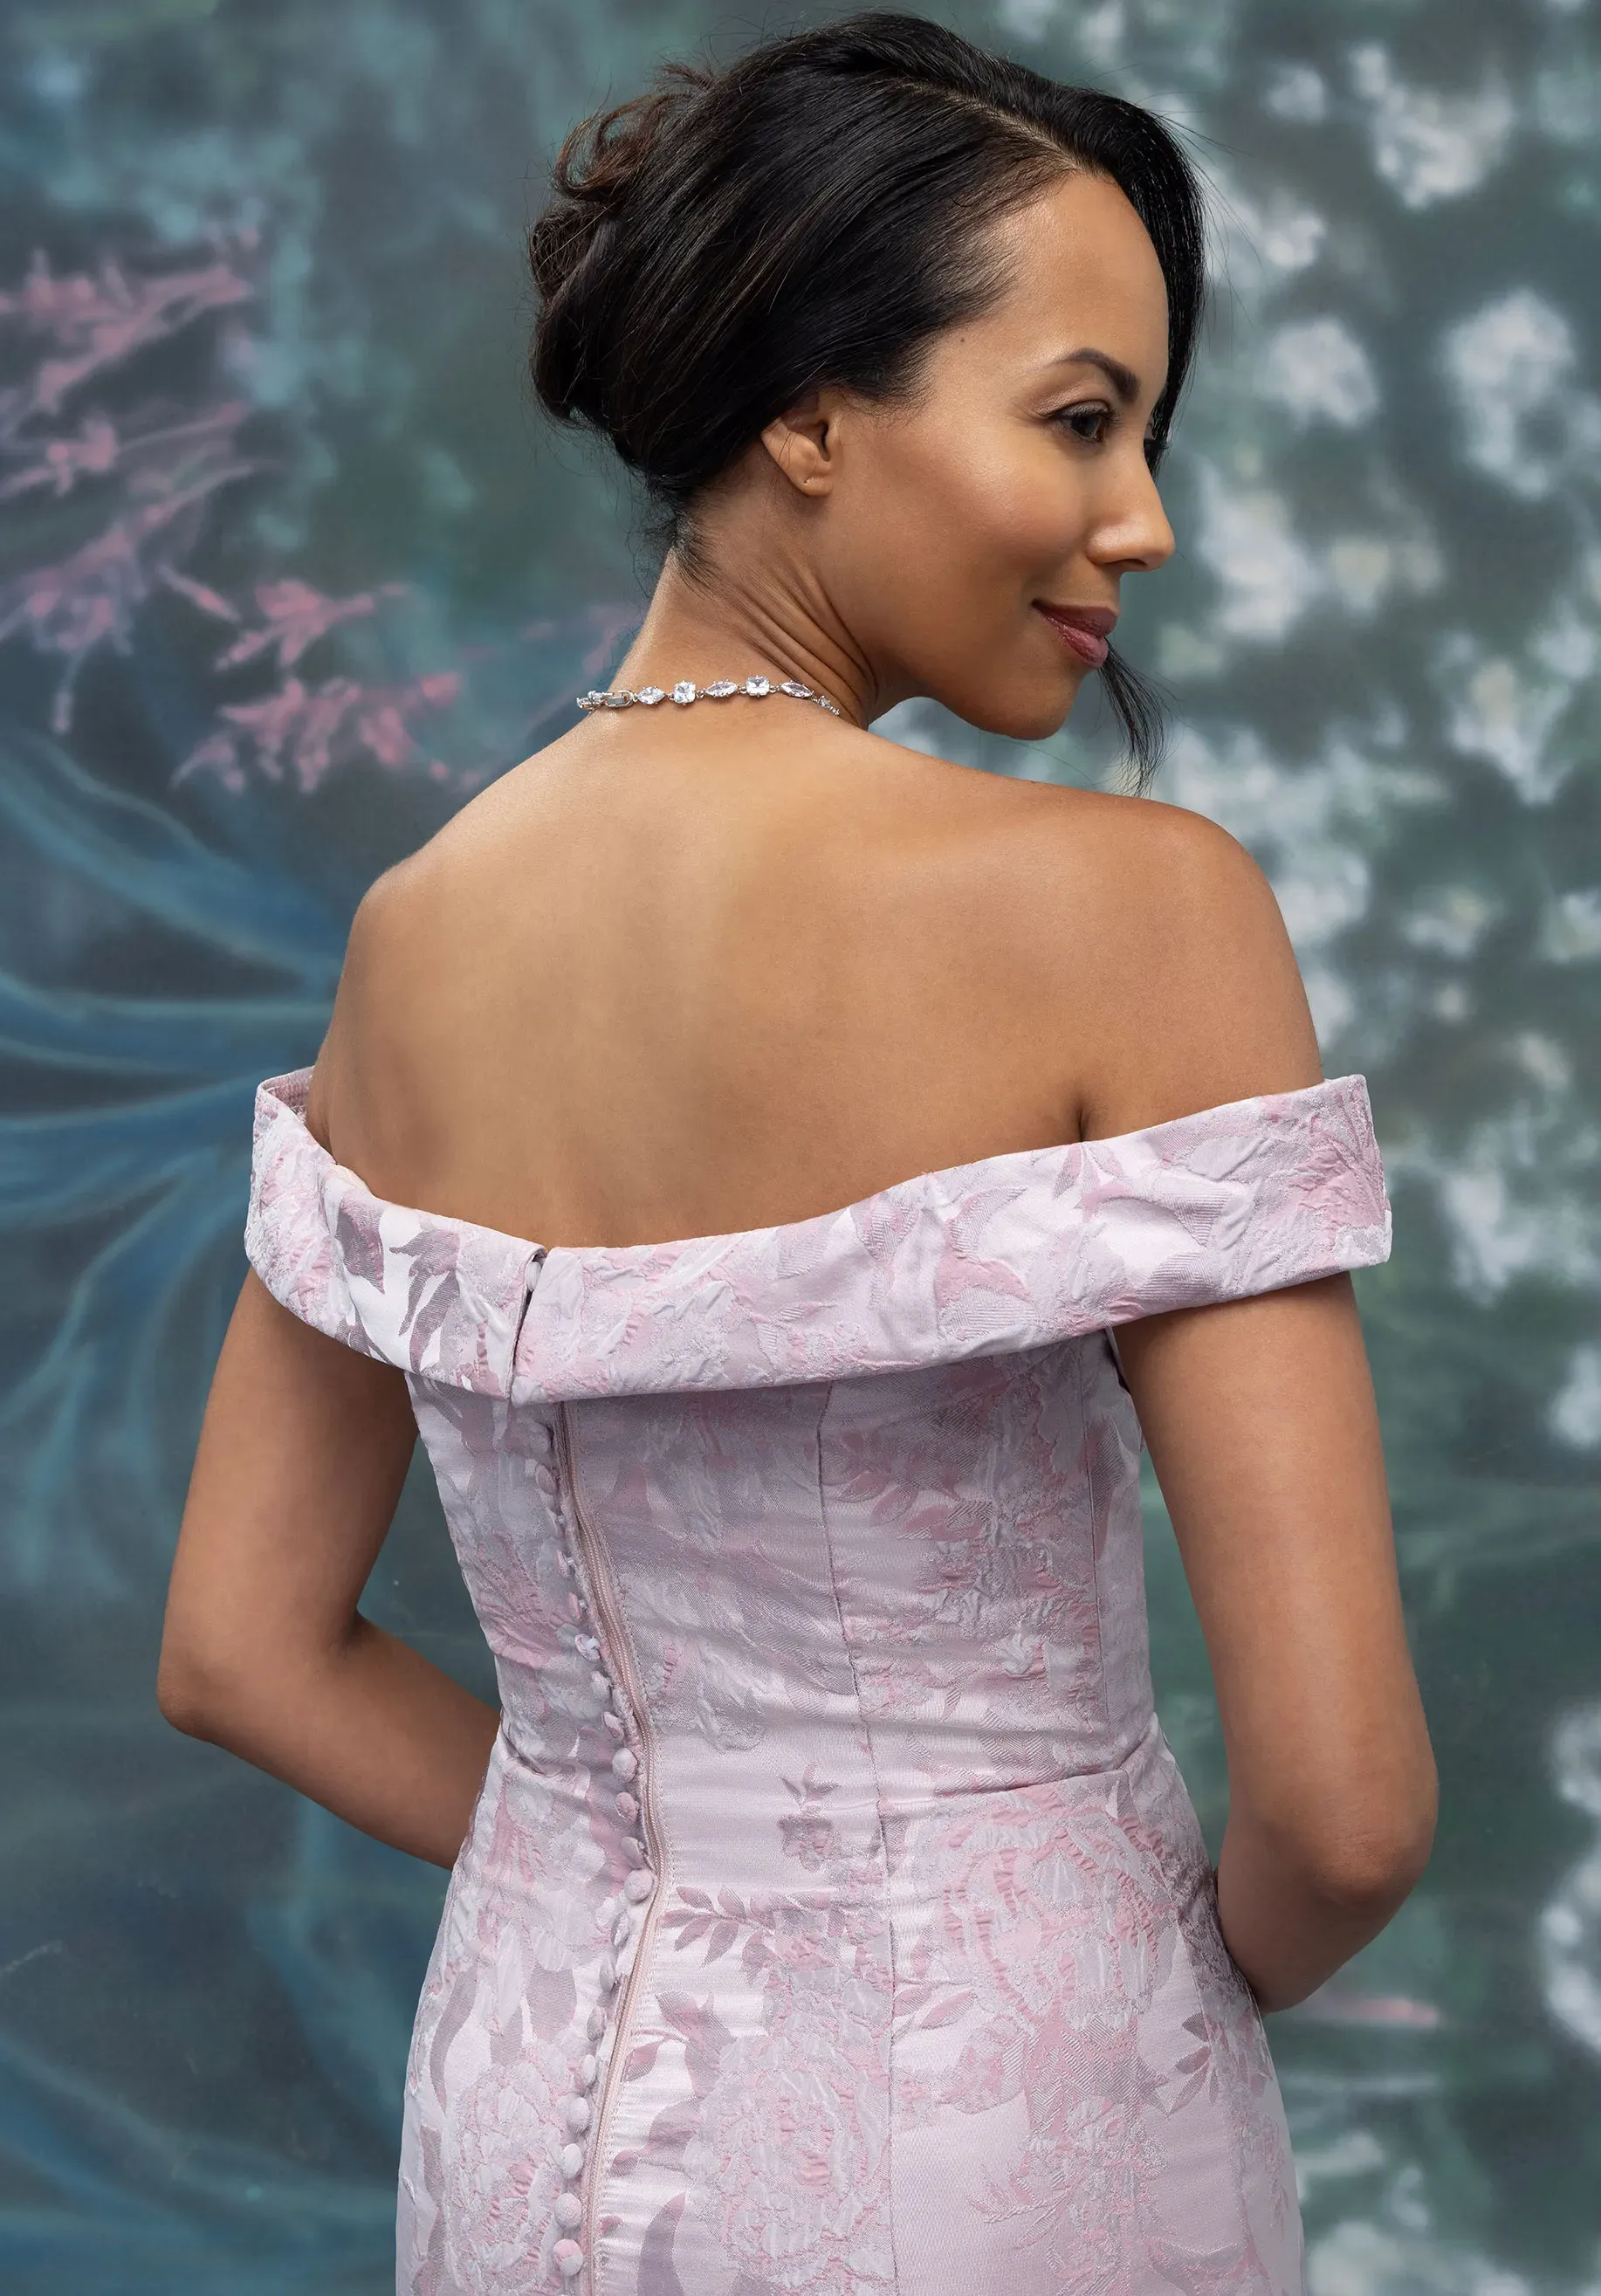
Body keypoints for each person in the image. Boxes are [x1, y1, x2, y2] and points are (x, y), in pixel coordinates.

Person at [158, 15, 1437, 2293]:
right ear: (813, 415)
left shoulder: (409, 940)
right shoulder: (1131, 912)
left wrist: (631, 1873)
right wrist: (1071, 1964)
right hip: (1008, 2146)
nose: (1144, 519)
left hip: (525, 2123)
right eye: (1081, 420)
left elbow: (241, 1650)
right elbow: (1343, 1814)